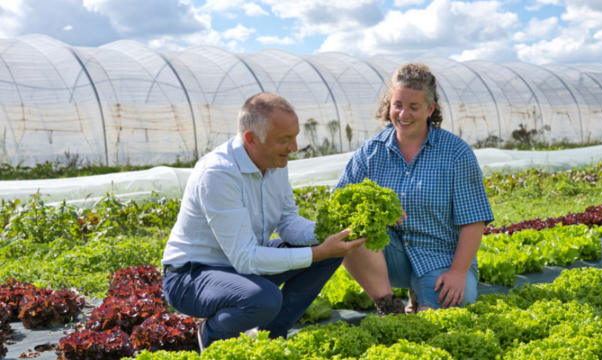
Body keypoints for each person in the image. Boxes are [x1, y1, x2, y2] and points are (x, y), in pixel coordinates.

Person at [161, 92, 367, 351]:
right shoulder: (219, 173)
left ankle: (271, 335)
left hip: (240, 263)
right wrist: (317, 252)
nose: (294, 147)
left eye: (294, 137)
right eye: (284, 140)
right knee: (264, 299)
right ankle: (212, 335)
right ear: (252, 139)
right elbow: (246, 258)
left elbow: (288, 222)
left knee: (330, 253)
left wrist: (337, 232)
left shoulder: (274, 162)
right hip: (192, 275)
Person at [335, 63, 494, 315]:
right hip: (390, 255)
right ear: (389, 104)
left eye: (414, 107)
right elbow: (339, 202)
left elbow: (474, 220)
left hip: (441, 256)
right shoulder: (371, 151)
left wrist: (457, 273)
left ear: (430, 109)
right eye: (397, 104)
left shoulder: (456, 153)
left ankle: (421, 295)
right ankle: (388, 305)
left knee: (438, 318)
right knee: (345, 231)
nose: (403, 114)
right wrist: (376, 210)